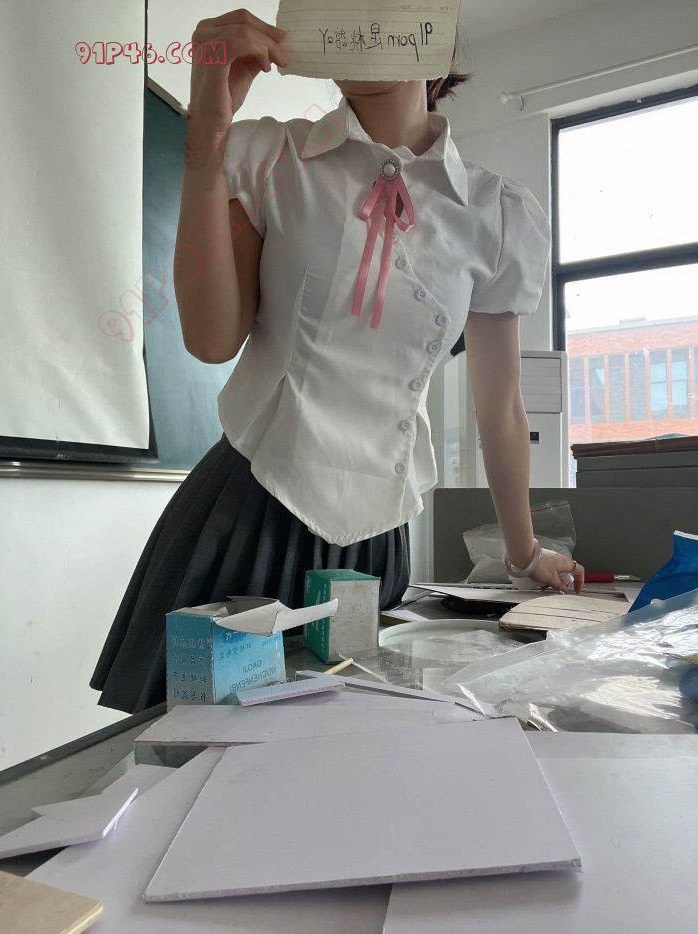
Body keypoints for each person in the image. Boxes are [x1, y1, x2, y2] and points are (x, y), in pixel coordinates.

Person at [90, 9, 584, 714]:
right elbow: (210, 339)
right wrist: (206, 140)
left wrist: (525, 554)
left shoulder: (494, 213)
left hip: (374, 545)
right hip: (249, 513)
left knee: (347, 757)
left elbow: (500, 408)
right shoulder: (270, 157)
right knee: (201, 759)